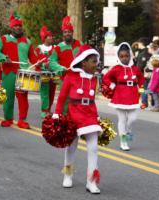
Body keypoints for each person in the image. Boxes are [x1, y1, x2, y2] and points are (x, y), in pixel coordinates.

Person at [53, 45, 102, 194]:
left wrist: (97, 115)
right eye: (93, 61)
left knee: (93, 147)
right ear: (83, 63)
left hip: (89, 114)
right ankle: (68, 174)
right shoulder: (70, 76)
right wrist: (57, 114)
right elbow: (62, 98)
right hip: (73, 113)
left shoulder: (94, 79)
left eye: (96, 62)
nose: (96, 65)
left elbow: (92, 100)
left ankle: (91, 181)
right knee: (71, 147)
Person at [0, 12, 39, 129]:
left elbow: (33, 58)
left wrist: (41, 64)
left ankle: (22, 120)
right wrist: (3, 58)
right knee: (8, 97)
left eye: (19, 26)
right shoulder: (3, 39)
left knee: (23, 98)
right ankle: (8, 118)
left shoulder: (27, 41)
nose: (18, 28)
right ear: (11, 27)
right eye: (15, 26)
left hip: (23, 73)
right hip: (8, 73)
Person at [103, 42, 145, 151]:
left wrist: (140, 88)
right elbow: (106, 78)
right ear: (118, 57)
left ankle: (129, 131)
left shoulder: (135, 69)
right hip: (120, 96)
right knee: (122, 120)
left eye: (126, 56)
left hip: (132, 96)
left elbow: (141, 79)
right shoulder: (116, 68)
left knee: (132, 119)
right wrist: (113, 86)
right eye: (121, 56)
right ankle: (123, 141)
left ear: (130, 55)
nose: (124, 58)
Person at [49, 16, 82, 114]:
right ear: (63, 34)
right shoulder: (59, 47)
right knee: (65, 101)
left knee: (78, 99)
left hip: (79, 77)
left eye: (69, 31)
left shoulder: (79, 44)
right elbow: (52, 61)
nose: (67, 33)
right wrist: (60, 68)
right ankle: (64, 120)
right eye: (65, 32)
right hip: (65, 78)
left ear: (72, 33)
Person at [35, 26, 56, 118]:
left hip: (53, 74)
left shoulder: (55, 48)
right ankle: (44, 110)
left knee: (52, 92)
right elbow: (35, 60)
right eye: (49, 36)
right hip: (43, 74)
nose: (51, 38)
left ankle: (48, 109)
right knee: (44, 93)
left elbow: (57, 60)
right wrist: (42, 65)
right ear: (44, 38)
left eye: (51, 36)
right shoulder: (39, 49)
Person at [136, 37, 151, 109]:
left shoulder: (143, 53)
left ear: (141, 43)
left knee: (143, 88)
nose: (137, 45)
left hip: (143, 74)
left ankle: (144, 103)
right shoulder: (147, 52)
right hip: (148, 74)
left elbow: (141, 65)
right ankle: (145, 101)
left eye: (138, 43)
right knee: (144, 88)